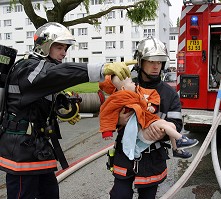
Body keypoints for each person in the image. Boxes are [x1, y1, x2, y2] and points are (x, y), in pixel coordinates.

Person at [0, 22, 130, 199]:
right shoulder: (30, 67)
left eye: (66, 47)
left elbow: (39, 98)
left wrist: (63, 108)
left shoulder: (39, 69)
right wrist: (101, 68)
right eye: (59, 47)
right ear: (45, 46)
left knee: (51, 194)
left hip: (37, 149)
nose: (64, 52)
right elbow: (56, 74)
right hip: (22, 154)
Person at [107, 36, 197, 199]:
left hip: (153, 157)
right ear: (140, 62)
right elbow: (107, 116)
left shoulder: (169, 94)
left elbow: (176, 123)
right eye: (151, 61)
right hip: (125, 154)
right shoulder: (126, 87)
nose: (157, 66)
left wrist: (162, 133)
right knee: (120, 195)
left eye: (160, 62)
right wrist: (118, 120)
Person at [99, 75, 198, 160]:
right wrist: (107, 131)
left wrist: (152, 107)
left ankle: (176, 149)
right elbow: (106, 113)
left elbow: (150, 98)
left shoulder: (137, 93)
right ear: (124, 89)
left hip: (147, 123)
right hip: (141, 129)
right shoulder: (118, 98)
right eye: (131, 82)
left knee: (171, 125)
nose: (134, 83)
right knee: (165, 124)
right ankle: (181, 139)